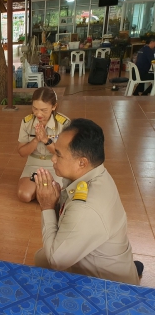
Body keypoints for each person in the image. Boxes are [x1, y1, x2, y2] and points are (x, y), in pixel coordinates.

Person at [33, 118, 142, 285]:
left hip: (107, 285)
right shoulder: (95, 173)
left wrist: (47, 206)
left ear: (82, 162)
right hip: (106, 258)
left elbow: (57, 261)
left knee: (44, 261)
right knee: (41, 256)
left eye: (59, 155)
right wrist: (56, 202)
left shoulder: (87, 207)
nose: (53, 159)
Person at [17, 87, 70, 202]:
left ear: (54, 107)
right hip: (33, 164)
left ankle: (41, 187)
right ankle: (41, 186)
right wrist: (36, 139)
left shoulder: (64, 124)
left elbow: (65, 155)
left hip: (55, 165)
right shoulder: (27, 122)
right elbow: (22, 152)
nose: (38, 114)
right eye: (35, 109)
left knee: (53, 198)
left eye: (44, 110)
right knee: (24, 195)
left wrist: (46, 140)